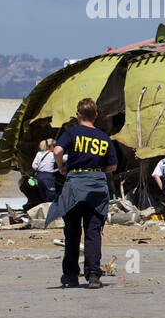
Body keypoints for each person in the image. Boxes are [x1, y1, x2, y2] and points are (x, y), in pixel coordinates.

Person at [45, 98, 118, 289]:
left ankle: (70, 275)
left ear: (78, 114)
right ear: (96, 115)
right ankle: (93, 275)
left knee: (72, 231)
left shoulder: (71, 133)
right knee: (93, 232)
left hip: (75, 186)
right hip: (96, 187)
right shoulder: (103, 137)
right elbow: (112, 165)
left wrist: (61, 167)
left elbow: (57, 150)